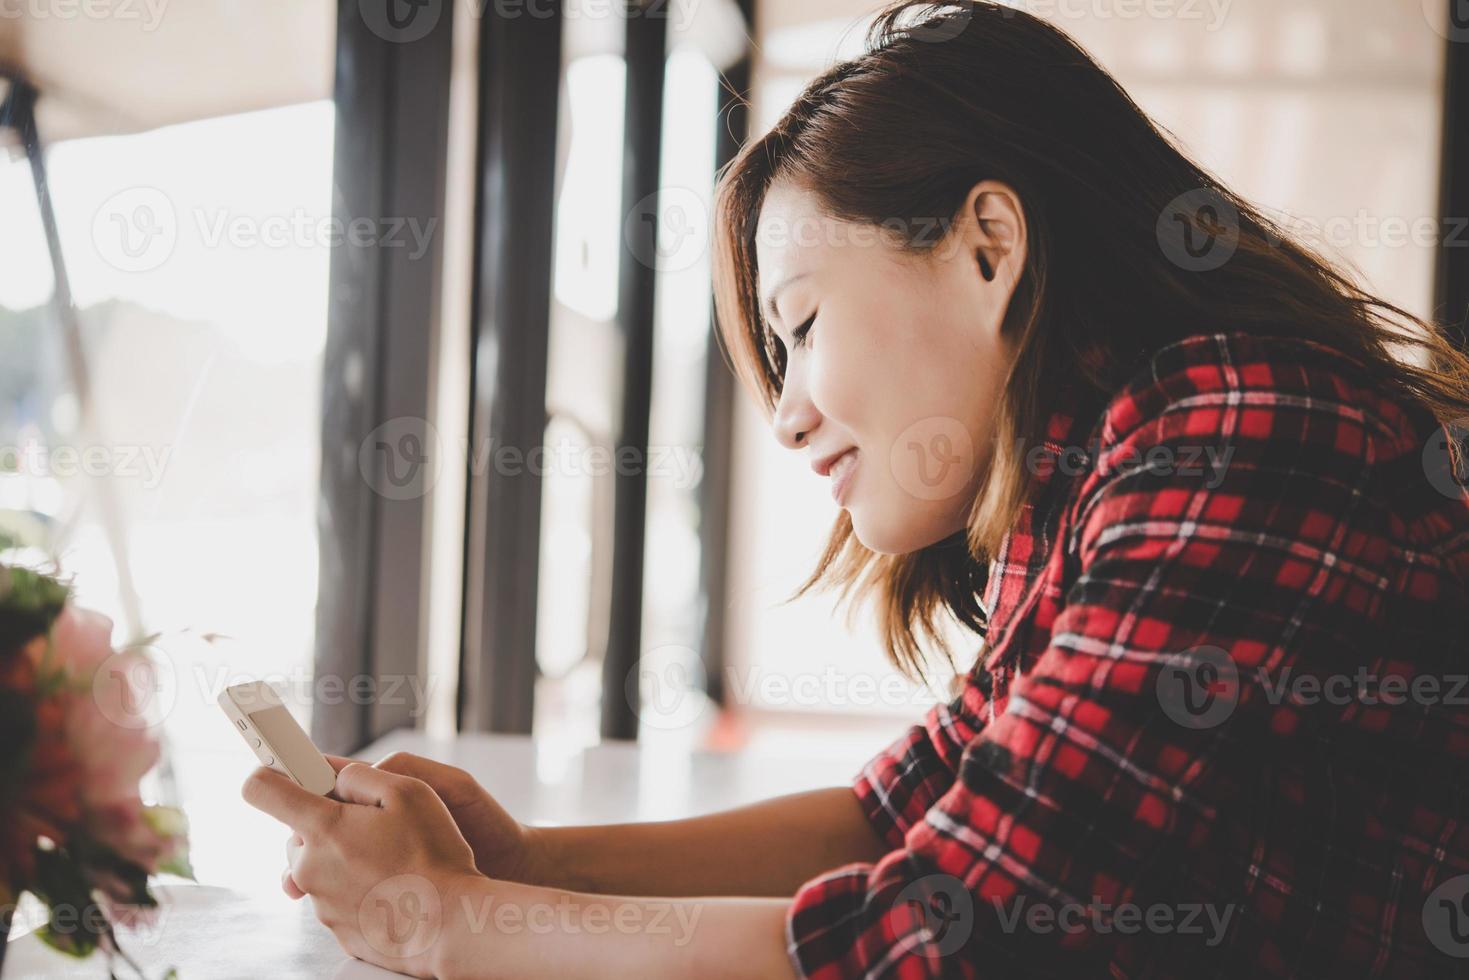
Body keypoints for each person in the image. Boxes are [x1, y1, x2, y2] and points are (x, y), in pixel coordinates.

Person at [242, 2, 1469, 976]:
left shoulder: (1238, 431)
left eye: (803, 323)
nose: (783, 414)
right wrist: (521, 862)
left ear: (989, 248)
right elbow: (903, 816)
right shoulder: (1103, 462)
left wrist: (445, 926)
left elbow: (954, 934)